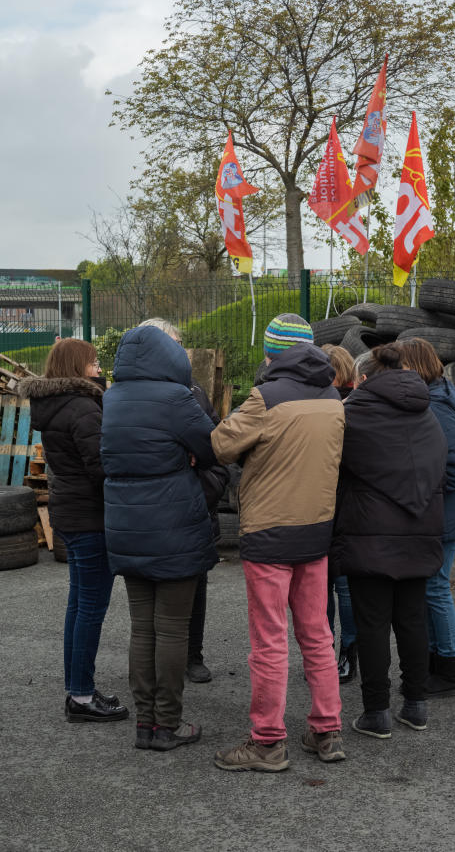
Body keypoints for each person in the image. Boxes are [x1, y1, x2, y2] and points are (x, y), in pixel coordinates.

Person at [211, 313, 346, 773]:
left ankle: (267, 741)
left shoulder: (264, 398)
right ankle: (327, 730)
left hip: (268, 533)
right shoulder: (333, 396)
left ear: (271, 352)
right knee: (317, 635)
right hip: (316, 530)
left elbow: (221, 445)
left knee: (269, 641)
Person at [101, 325, 218, 751]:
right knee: (171, 629)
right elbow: (210, 450)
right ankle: (167, 724)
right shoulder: (176, 399)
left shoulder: (111, 398)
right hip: (174, 523)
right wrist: (184, 456)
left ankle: (144, 724)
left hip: (126, 524)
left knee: (141, 628)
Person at [330, 344, 447, 738]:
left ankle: (376, 712)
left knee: (372, 624)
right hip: (421, 530)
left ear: (364, 378)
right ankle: (416, 706)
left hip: (369, 534)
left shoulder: (354, 413)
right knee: (413, 620)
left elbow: (334, 466)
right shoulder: (428, 414)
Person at [19, 339, 128, 723]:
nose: (99, 368)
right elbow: (101, 466)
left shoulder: (55, 405)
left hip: (69, 510)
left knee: (78, 604)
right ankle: (81, 696)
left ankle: (76, 687)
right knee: (91, 608)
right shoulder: (83, 408)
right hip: (89, 515)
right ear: (78, 366)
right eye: (94, 362)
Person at [136, 318, 229, 684]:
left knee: (197, 586)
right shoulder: (131, 395)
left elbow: (217, 447)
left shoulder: (195, 392)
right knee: (151, 597)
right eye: (173, 345)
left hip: (196, 511)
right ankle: (159, 662)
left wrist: (202, 492)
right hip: (155, 513)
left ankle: (193, 655)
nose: (181, 353)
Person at [399, 337, 455, 695]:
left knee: (435, 588)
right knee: (429, 588)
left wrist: (426, 493)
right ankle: (435, 662)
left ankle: (448, 670)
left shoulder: (437, 405)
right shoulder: (434, 397)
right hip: (441, 513)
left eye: (398, 365)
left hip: (445, 515)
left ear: (413, 367)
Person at [320, 343, 358, 683]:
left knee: (339, 585)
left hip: (338, 505)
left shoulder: (348, 405)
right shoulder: (330, 401)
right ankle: (331, 653)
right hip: (332, 504)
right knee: (327, 585)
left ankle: (346, 651)